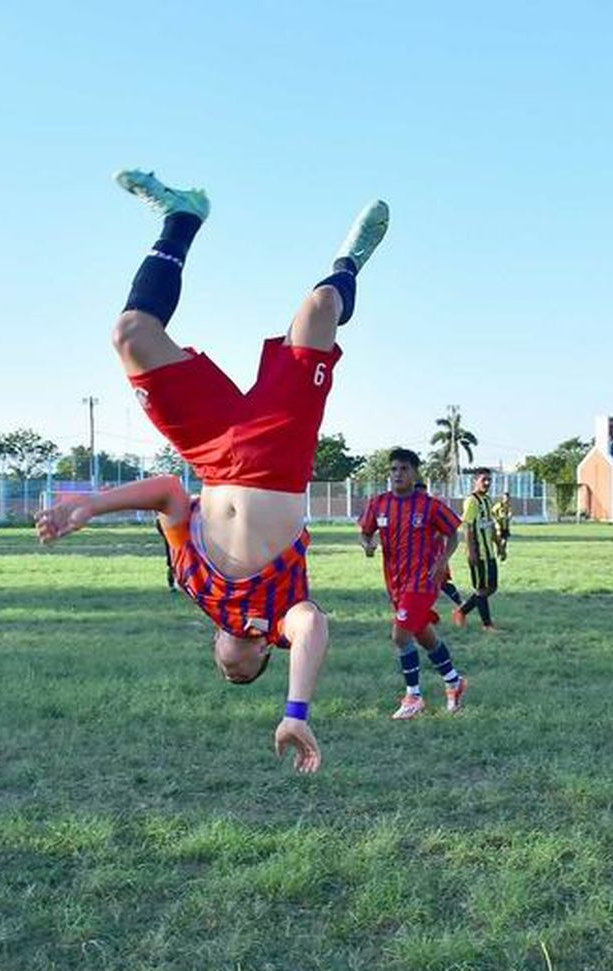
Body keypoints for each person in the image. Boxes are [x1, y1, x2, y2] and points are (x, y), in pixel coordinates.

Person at [37, 167, 389, 774]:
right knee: (319, 306)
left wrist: (91, 505)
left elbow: (172, 493)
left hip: (211, 451)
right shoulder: (285, 616)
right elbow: (314, 630)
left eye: (223, 668)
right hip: (279, 454)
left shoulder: (191, 584)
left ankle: (182, 218)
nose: (229, 668)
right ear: (261, 659)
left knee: (130, 334)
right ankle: (349, 262)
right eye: (241, 674)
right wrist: (296, 711)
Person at [359, 449, 470, 719]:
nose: (398, 474)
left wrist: (443, 560)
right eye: (394, 469)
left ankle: (414, 696)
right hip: (395, 583)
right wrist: (368, 545)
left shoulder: (429, 505)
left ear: (415, 472)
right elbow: (364, 533)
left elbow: (453, 534)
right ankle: (454, 682)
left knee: (400, 635)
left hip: (423, 580)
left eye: (404, 469)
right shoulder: (378, 503)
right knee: (422, 634)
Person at [453, 468, 500, 630]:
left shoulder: (487, 500)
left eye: (489, 480)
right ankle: (487, 625)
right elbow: (467, 527)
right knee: (481, 588)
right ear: (475, 481)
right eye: (483, 480)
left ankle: (462, 611)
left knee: (492, 587)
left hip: (489, 553)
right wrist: (471, 550)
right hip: (478, 553)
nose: (487, 483)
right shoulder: (471, 501)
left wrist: (499, 545)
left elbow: (491, 524)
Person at [491, 490, 513, 561]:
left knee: (505, 542)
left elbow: (510, 514)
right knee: (501, 541)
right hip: (499, 526)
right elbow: (492, 512)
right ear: (503, 498)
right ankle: (500, 554)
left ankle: (501, 554)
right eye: (505, 498)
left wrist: (509, 516)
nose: (507, 499)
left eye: (508, 498)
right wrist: (497, 519)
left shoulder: (509, 506)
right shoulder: (499, 505)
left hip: (505, 526)